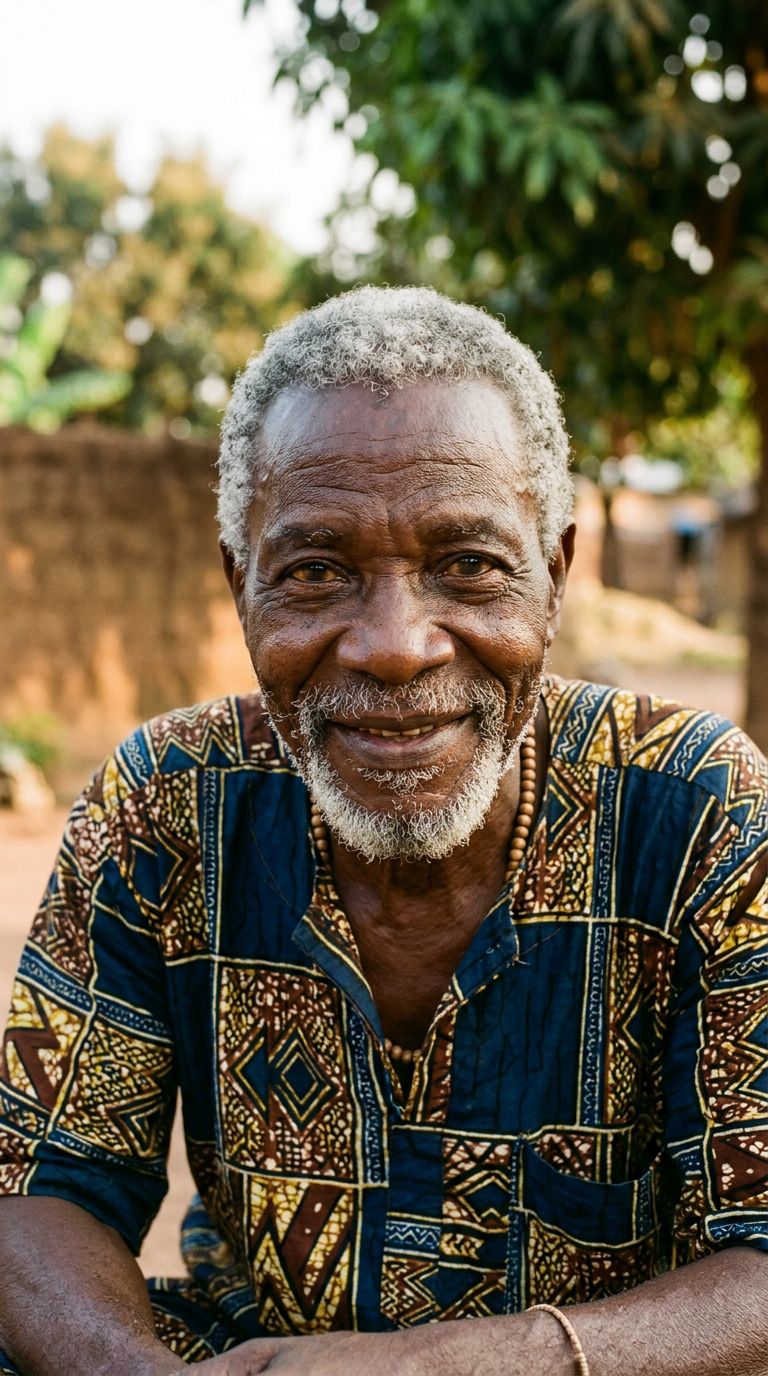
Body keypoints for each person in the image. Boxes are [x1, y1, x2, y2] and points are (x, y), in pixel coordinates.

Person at [0, 286, 766, 1376]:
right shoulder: (165, 802)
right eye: (316, 571)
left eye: (469, 565)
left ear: (554, 576)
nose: (397, 646)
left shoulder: (698, 810)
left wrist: (449, 1368)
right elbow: (39, 1186)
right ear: (241, 587)